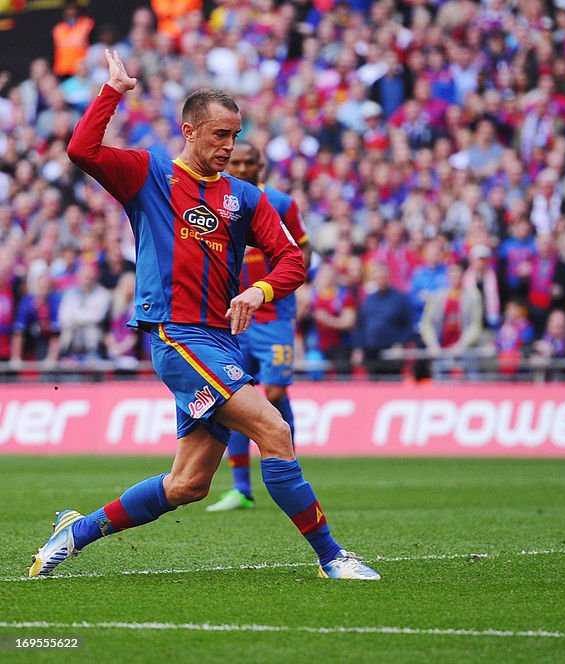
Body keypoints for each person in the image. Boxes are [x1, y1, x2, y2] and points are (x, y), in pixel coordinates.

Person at [29, 50, 379, 580]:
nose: (229, 146)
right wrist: (112, 93)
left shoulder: (246, 197)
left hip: (220, 341)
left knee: (188, 484)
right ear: (189, 131)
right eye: (219, 135)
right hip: (176, 335)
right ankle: (333, 558)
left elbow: (293, 261)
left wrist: (259, 291)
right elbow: (82, 149)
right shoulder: (149, 175)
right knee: (275, 431)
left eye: (235, 135)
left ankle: (76, 530)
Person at [206, 142, 311, 512]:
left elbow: (302, 252)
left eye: (250, 162)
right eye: (237, 162)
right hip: (233, 315)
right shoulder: (217, 202)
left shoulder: (280, 203)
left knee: (276, 392)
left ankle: (286, 467)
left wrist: (278, 284)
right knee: (236, 397)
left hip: (274, 314)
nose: (243, 167)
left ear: (261, 167)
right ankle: (240, 488)